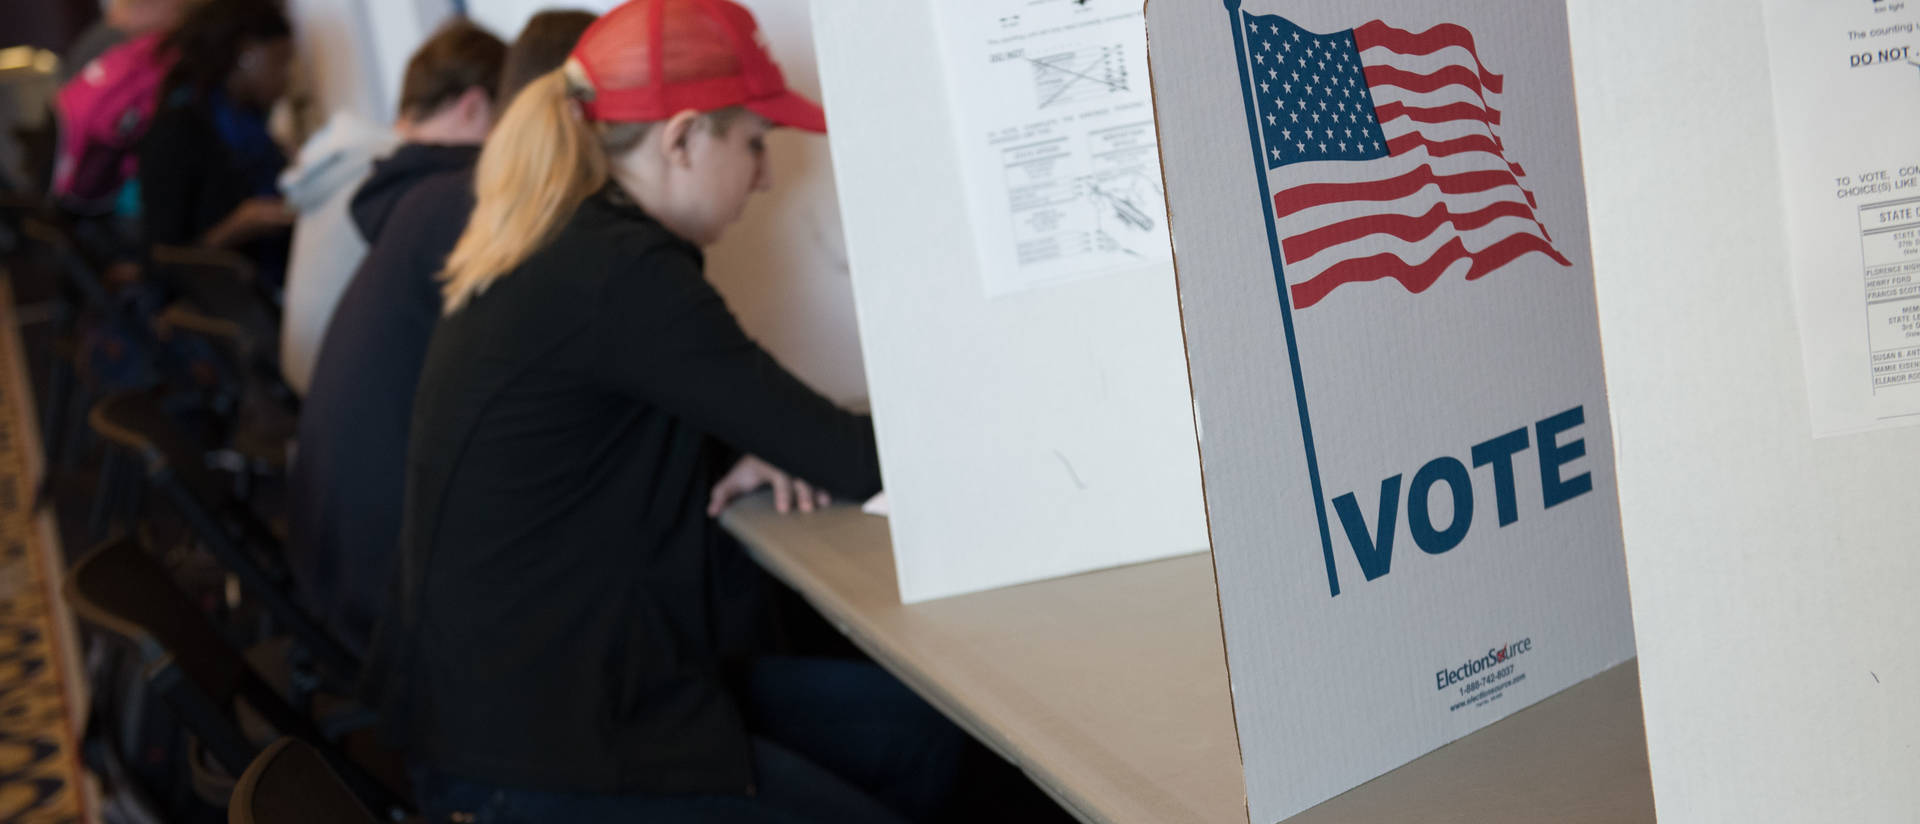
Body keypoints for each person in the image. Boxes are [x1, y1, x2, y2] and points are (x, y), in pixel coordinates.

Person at [361, 1, 963, 821]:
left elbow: (599, 435)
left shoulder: (561, 240)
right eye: (754, 144)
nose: (766, 176)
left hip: (524, 699)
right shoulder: (622, 274)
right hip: (547, 751)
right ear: (680, 139)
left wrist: (754, 445)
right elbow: (856, 459)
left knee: (925, 738)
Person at [287, 11, 586, 656]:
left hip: (331, 547)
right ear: (483, 108)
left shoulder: (399, 189)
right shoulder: (457, 205)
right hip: (393, 599)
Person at [278, 21, 508, 395]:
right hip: (353, 398)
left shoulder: (354, 161)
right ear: (473, 108)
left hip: (316, 393)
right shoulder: (405, 183)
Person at [135, 0, 295, 285]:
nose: (286, 77)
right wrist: (240, 225)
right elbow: (162, 262)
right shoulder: (178, 131)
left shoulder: (246, 122)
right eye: (280, 62)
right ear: (246, 55)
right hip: (233, 302)